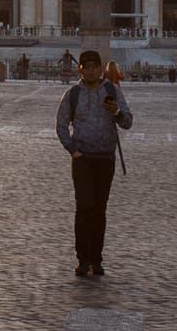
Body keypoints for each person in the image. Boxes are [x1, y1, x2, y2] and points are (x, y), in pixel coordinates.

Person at [55, 50, 132, 276]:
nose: (90, 70)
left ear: (101, 69)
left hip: (105, 158)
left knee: (99, 210)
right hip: (83, 159)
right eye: (86, 67)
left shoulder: (112, 91)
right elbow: (60, 125)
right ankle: (83, 259)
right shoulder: (73, 94)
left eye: (94, 67)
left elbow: (128, 121)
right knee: (84, 207)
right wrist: (72, 149)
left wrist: (116, 112)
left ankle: (96, 260)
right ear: (81, 69)